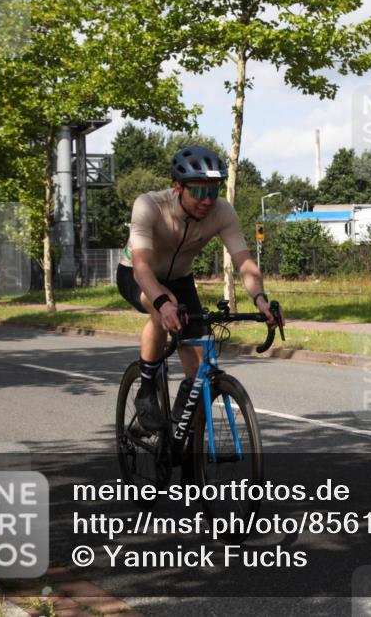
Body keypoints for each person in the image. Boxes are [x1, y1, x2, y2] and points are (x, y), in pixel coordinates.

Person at [116, 145, 283, 432]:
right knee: (161, 309)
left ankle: (180, 427)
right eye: (199, 192)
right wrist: (162, 303)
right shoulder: (149, 205)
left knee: (199, 363)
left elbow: (244, 262)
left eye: (214, 191)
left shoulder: (222, 212)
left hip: (180, 279)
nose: (207, 201)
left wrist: (261, 300)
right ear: (178, 187)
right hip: (136, 274)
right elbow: (142, 266)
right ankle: (145, 390)